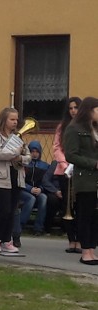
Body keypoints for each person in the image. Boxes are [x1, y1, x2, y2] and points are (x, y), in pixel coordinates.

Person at [62, 96, 98, 266]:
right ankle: (85, 252)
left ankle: (92, 249)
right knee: (85, 215)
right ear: (90, 111)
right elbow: (71, 155)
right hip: (85, 179)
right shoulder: (74, 129)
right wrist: (94, 164)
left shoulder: (95, 129)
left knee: (95, 217)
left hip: (96, 180)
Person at [0, 107, 30, 254]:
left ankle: (7, 240)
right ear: (4, 120)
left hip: (16, 178)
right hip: (1, 179)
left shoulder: (18, 137)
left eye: (16, 119)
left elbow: (28, 157)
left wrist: (20, 157)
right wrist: (15, 153)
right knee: (3, 210)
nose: (15, 122)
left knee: (12, 211)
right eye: (12, 119)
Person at [51, 97, 82, 253]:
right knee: (67, 206)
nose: (73, 111)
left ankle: (81, 239)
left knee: (80, 206)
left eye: (76, 107)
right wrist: (65, 164)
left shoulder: (87, 126)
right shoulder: (62, 127)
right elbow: (56, 148)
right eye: (70, 108)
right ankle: (71, 240)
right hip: (65, 171)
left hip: (82, 170)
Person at [16, 141, 49, 237]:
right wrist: (30, 189)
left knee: (43, 198)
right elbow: (20, 179)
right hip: (23, 189)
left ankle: (38, 228)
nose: (34, 154)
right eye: (32, 151)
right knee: (31, 199)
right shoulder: (23, 164)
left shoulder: (45, 165)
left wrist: (41, 189)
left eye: (36, 152)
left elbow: (45, 181)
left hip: (37, 190)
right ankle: (20, 225)